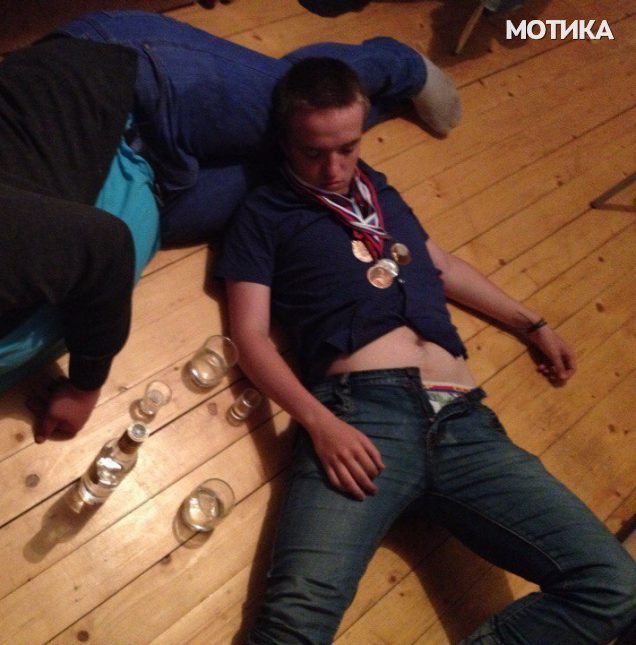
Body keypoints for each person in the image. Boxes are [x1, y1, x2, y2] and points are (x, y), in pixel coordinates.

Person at [0, 11, 462, 643]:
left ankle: (399, 64)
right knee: (301, 168)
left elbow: (101, 250)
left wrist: (86, 384)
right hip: (156, 192)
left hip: (131, 86)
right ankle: (357, 133)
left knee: (303, 109)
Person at [215, 57, 636, 643]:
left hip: (465, 421)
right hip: (359, 416)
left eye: (348, 148)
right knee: (292, 625)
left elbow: (440, 264)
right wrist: (318, 421)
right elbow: (250, 337)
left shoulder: (378, 190)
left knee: (614, 586)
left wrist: (531, 322)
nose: (334, 168)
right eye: (314, 152)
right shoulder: (264, 213)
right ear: (285, 141)